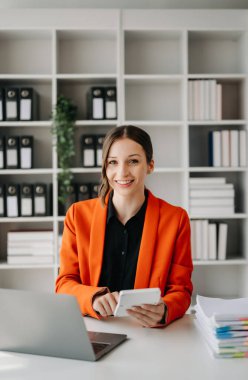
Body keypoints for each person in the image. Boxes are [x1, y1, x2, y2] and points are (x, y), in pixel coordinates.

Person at [55, 125, 193, 327]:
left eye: (133, 161)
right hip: (93, 329)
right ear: (105, 167)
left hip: (150, 334)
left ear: (150, 165)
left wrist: (165, 310)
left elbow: (181, 290)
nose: (122, 172)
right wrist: (92, 298)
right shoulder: (78, 215)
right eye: (113, 162)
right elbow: (64, 283)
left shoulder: (176, 219)